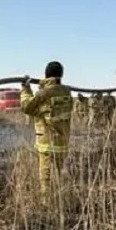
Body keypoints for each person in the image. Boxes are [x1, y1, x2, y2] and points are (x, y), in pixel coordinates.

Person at [21, 61, 74, 199]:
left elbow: (27, 107)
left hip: (47, 142)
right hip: (62, 141)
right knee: (61, 171)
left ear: (46, 74)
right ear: (61, 74)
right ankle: (64, 198)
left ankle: (46, 201)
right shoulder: (67, 92)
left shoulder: (44, 93)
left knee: (45, 175)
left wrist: (26, 89)